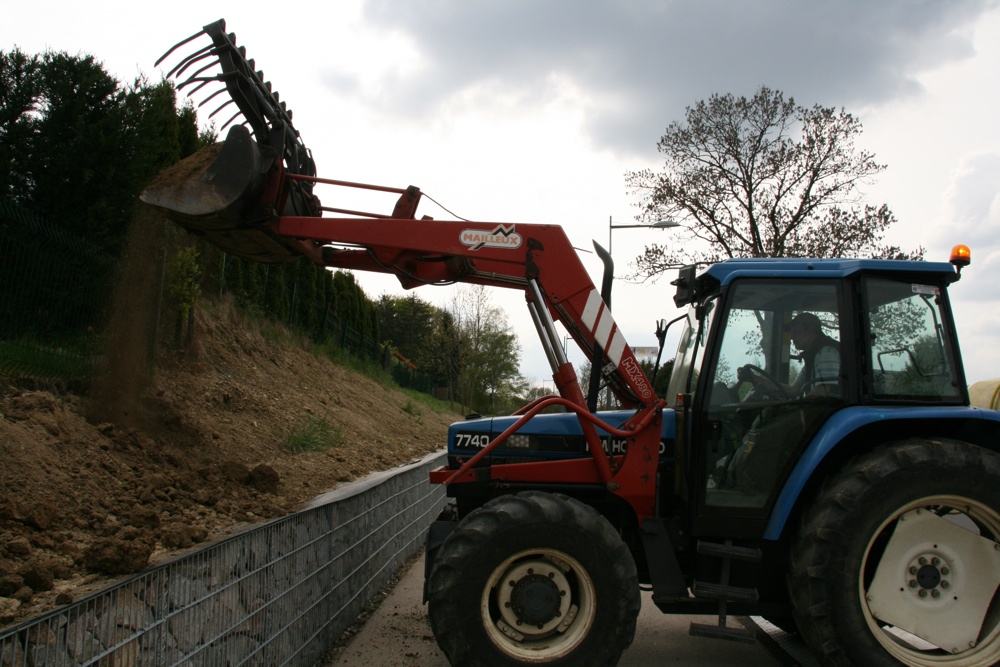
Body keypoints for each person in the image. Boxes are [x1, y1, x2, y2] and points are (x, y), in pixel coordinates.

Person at [784, 312, 840, 397]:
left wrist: (799, 407)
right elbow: (793, 390)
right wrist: (759, 380)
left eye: (796, 331)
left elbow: (823, 391)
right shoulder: (812, 356)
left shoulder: (826, 352)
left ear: (811, 330)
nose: (792, 337)